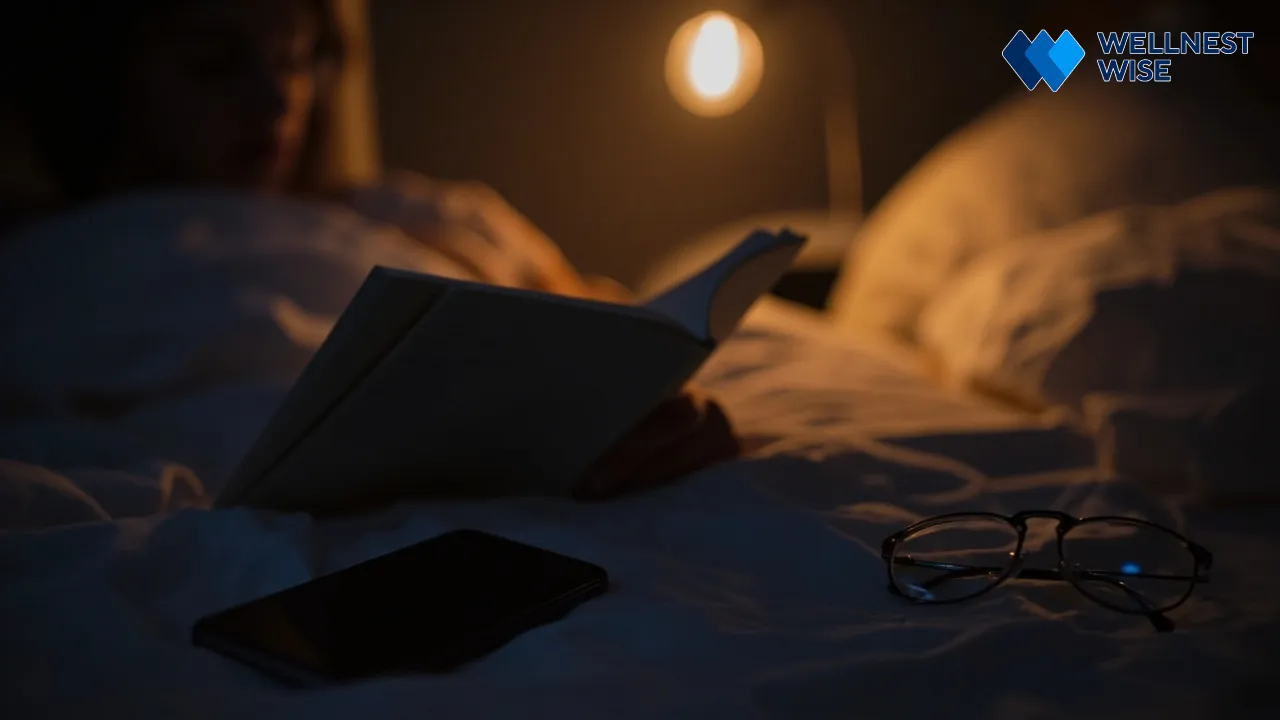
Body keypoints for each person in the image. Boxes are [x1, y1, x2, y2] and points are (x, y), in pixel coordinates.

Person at [11, 0, 741, 500]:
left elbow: (597, 311)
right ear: (107, 78)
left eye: (296, 60)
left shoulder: (415, 212)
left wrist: (665, 399)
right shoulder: (55, 263)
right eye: (213, 65)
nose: (276, 100)